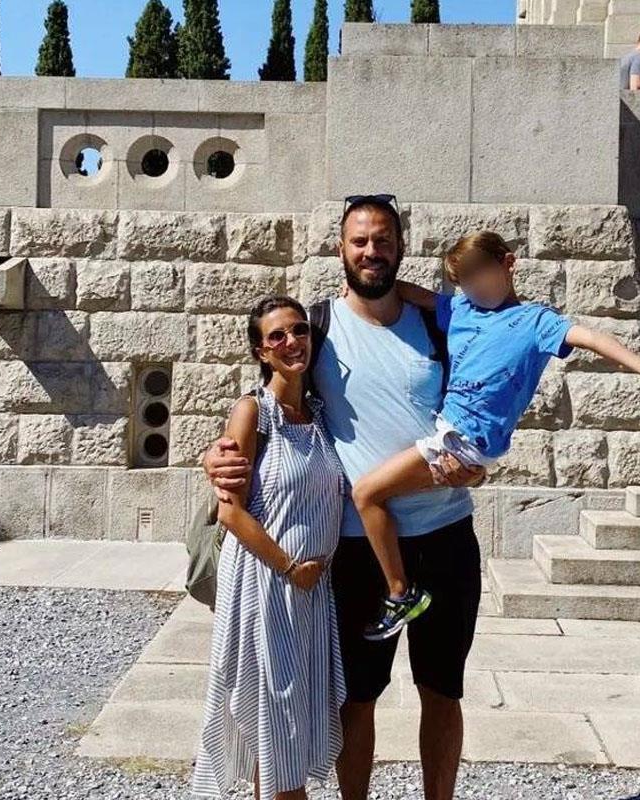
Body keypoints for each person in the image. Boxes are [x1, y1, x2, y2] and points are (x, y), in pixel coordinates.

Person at [203, 194, 483, 800]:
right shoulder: (319, 327)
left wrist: (479, 467)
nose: (371, 251)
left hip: (445, 536)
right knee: (357, 696)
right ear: (341, 250)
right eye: (360, 241)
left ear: (401, 247)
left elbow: (482, 406)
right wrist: (216, 455)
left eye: (383, 239)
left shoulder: (440, 325)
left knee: (443, 691)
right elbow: (266, 400)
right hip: (358, 547)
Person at [351, 232, 640, 639]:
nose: (475, 288)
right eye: (465, 282)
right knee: (385, 495)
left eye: (480, 276)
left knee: (366, 494)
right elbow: (408, 292)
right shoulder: (460, 308)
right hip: (449, 433)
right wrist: (351, 289)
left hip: (465, 442)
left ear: (508, 264)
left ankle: (400, 592)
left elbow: (591, 338)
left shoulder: (535, 322)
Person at [191, 296, 348, 800]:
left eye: (299, 330)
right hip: (267, 586)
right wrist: (289, 566)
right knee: (278, 726)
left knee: (287, 725)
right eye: (276, 336)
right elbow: (230, 512)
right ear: (261, 351)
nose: (291, 342)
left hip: (311, 594)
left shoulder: (319, 414)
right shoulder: (253, 412)